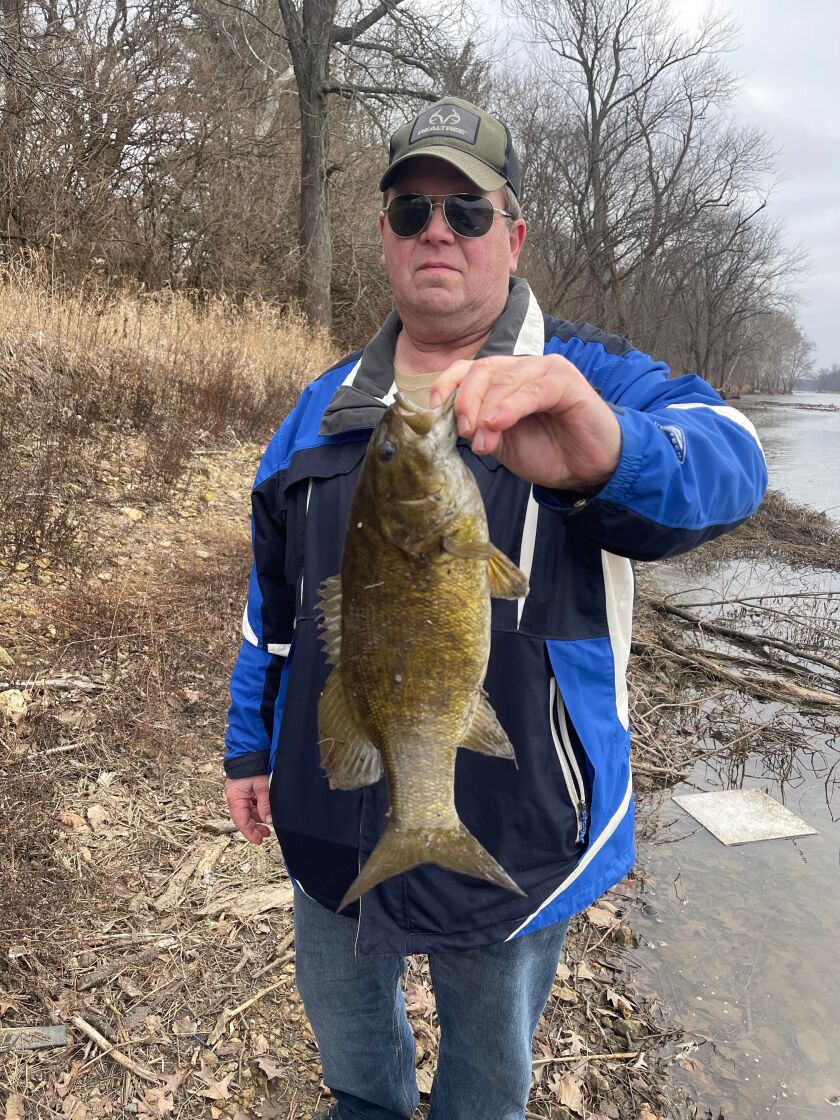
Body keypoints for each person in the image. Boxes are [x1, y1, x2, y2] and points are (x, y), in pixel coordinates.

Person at [223, 97, 767, 1120]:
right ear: (384, 237)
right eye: (412, 207)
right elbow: (274, 603)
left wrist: (610, 451)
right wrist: (249, 746)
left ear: (510, 237)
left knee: (487, 1075)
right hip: (330, 805)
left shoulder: (589, 375)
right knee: (348, 1036)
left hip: (522, 822)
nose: (439, 229)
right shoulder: (320, 408)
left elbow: (733, 456)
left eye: (467, 211)